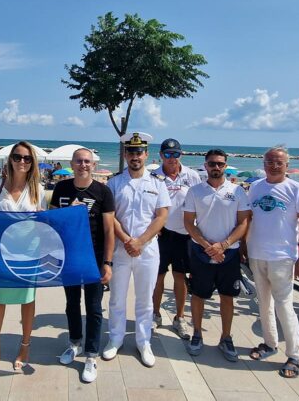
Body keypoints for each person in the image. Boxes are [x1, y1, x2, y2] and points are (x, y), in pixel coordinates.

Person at [242, 145, 299, 379]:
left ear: (286, 165)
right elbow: (248, 218)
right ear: (263, 164)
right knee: (263, 303)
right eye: (270, 161)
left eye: (278, 162)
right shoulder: (255, 187)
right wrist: (243, 246)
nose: (274, 165)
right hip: (257, 254)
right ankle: (270, 344)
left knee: (284, 306)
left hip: (282, 257)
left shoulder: (297, 189)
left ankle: (295, 355)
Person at [102, 132, 170, 368]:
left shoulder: (157, 184)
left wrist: (140, 241)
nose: (135, 156)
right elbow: (110, 217)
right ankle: (115, 339)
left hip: (148, 250)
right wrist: (128, 240)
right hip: (120, 249)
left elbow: (161, 216)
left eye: (139, 152)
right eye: (130, 151)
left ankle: (144, 341)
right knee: (117, 298)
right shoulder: (114, 183)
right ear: (125, 154)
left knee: (145, 300)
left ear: (146, 154)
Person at [51, 147, 116, 383]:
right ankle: (74, 343)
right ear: (72, 163)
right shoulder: (61, 188)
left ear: (93, 165)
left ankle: (91, 355)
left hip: (94, 256)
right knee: (71, 304)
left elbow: (109, 230)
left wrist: (107, 263)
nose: (83, 165)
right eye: (79, 161)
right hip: (69, 256)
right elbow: (54, 223)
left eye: (87, 161)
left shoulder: (103, 191)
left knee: (94, 307)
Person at [0, 141, 47, 373]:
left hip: (30, 254)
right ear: (10, 159)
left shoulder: (38, 190)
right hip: (2, 253)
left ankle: (25, 347)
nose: (22, 161)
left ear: (33, 163)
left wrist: (44, 216)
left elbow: (44, 224)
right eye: (18, 157)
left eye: (27, 158)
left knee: (27, 301)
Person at [182, 149, 249, 362]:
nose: (216, 167)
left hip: (229, 253)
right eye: (212, 163)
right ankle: (197, 333)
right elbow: (188, 223)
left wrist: (224, 245)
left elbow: (244, 223)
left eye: (220, 164)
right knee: (199, 295)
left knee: (227, 296)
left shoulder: (238, 191)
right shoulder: (195, 191)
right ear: (205, 165)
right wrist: (208, 246)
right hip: (201, 252)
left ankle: (226, 337)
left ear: (225, 165)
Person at [150, 138, 201, 339]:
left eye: (176, 154)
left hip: (185, 234)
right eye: (168, 155)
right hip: (161, 234)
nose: (172, 159)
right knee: (158, 277)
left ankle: (179, 318)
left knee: (180, 278)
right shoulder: (153, 175)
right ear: (161, 155)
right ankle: (155, 315)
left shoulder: (192, 176)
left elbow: (199, 202)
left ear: (181, 154)